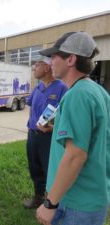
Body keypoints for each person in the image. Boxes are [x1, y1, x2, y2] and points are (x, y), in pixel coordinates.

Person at [36, 31, 110, 225]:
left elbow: (76, 155)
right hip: (93, 197)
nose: (50, 62)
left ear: (71, 59)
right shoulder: (98, 91)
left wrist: (50, 203)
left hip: (75, 202)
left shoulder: (77, 95)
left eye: (54, 56)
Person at [23, 56, 67, 209]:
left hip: (49, 138)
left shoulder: (62, 88)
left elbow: (67, 117)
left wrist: (52, 128)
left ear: (47, 67)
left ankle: (51, 203)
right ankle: (38, 197)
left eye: (37, 64)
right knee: (34, 168)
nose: (34, 67)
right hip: (33, 136)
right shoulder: (38, 87)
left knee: (50, 170)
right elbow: (31, 109)